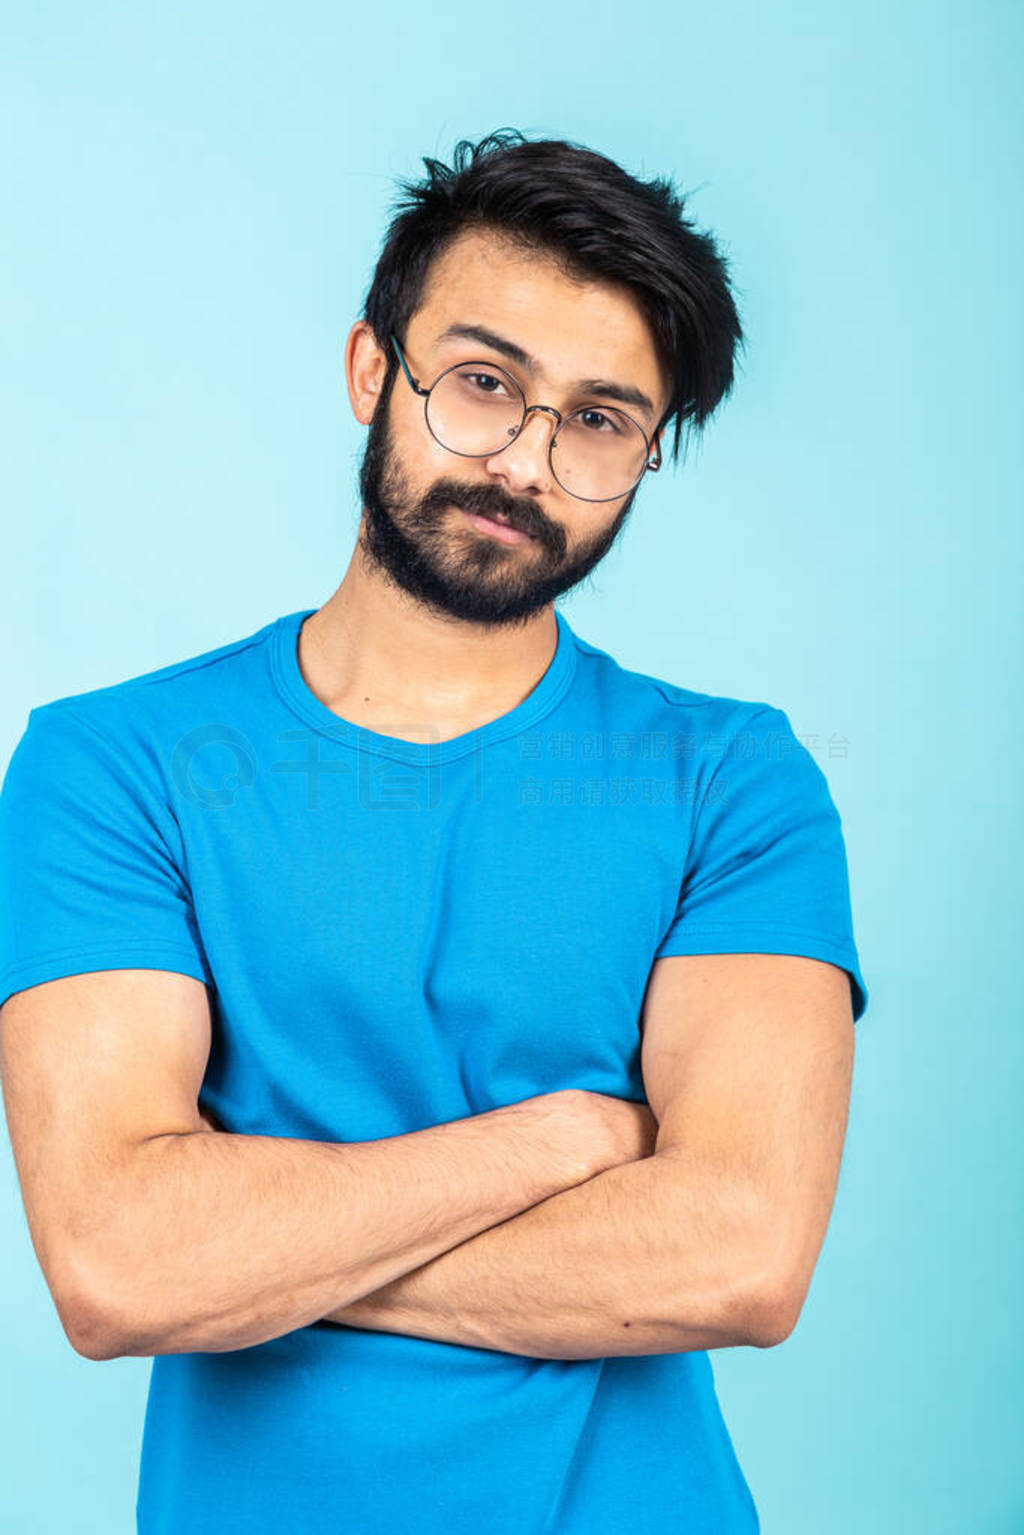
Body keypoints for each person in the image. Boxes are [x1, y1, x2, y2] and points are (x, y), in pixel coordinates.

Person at [0, 129, 868, 1534]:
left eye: (599, 420)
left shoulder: (734, 778)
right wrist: (571, 1141)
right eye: (482, 383)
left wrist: (260, 1255)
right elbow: (115, 1266)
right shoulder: (115, 765)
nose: (525, 460)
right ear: (370, 372)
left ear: (646, 456)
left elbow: (741, 1256)